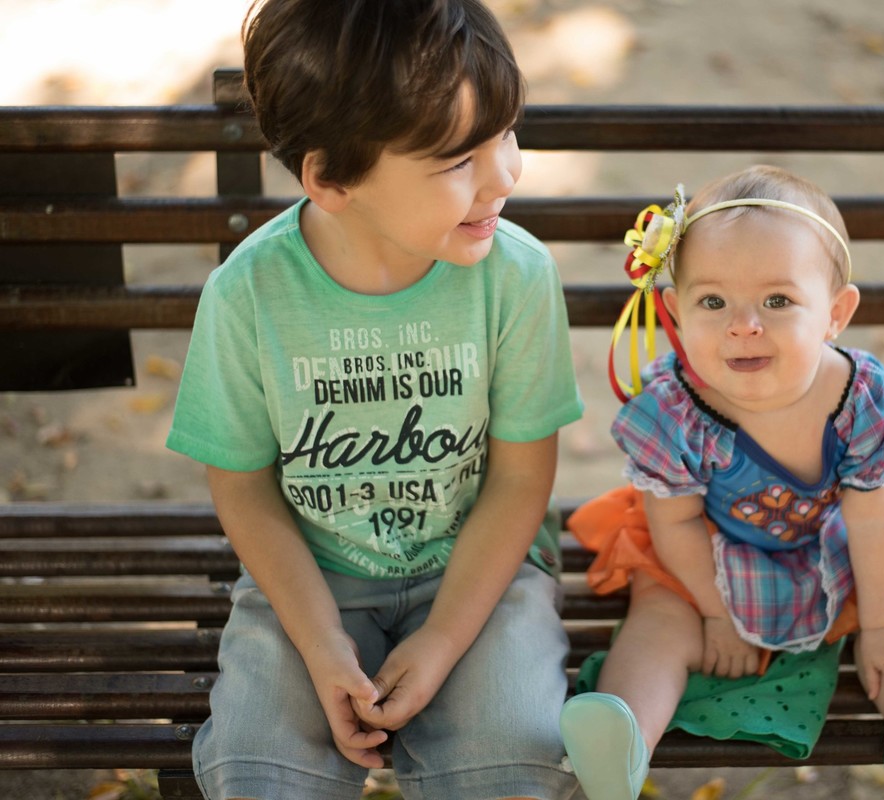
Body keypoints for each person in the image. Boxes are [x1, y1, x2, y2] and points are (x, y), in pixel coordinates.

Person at [166, 1, 584, 798]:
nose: (507, 174)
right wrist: (321, 643)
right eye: (461, 159)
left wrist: (445, 640)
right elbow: (245, 486)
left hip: (480, 573)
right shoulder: (249, 295)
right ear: (332, 179)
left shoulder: (517, 278)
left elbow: (521, 480)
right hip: (312, 575)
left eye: (507, 134)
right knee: (258, 768)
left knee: (512, 757)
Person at [560, 165, 884, 799]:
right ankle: (625, 733)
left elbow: (877, 521)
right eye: (712, 302)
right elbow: (676, 525)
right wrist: (717, 616)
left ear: (835, 313)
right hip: (700, 548)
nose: (743, 324)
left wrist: (883, 626)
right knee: (660, 612)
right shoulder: (675, 410)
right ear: (675, 310)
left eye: (777, 301)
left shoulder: (862, 400)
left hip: (826, 539)